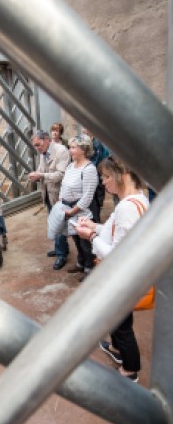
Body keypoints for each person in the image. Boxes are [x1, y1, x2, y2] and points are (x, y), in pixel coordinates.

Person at [75, 155, 149, 382]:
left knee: (121, 324)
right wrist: (95, 226)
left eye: (106, 177)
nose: (104, 182)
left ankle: (130, 370)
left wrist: (91, 235)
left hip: (121, 276)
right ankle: (117, 351)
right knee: (117, 319)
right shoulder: (137, 200)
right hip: (125, 275)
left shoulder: (127, 207)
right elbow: (114, 232)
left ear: (122, 175)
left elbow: (118, 254)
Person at [29, 130, 70, 270]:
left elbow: (61, 174)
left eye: (38, 145)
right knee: (54, 222)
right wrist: (37, 174)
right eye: (34, 146)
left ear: (47, 140)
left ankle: (61, 254)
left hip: (59, 194)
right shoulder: (43, 152)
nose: (37, 148)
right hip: (48, 193)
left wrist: (40, 175)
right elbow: (42, 169)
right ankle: (62, 248)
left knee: (59, 224)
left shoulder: (61, 151)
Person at [59, 135, 98, 280]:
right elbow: (64, 185)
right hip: (69, 209)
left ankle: (90, 269)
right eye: (70, 147)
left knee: (86, 242)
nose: (70, 150)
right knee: (76, 239)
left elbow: (87, 196)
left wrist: (72, 211)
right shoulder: (70, 166)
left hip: (81, 212)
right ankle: (81, 263)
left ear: (83, 149)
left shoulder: (89, 169)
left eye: (73, 147)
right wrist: (61, 203)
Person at [82, 127, 109, 222]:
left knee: (97, 202)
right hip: (91, 176)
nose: (83, 130)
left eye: (85, 127)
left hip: (97, 177)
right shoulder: (87, 141)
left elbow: (95, 162)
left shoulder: (97, 143)